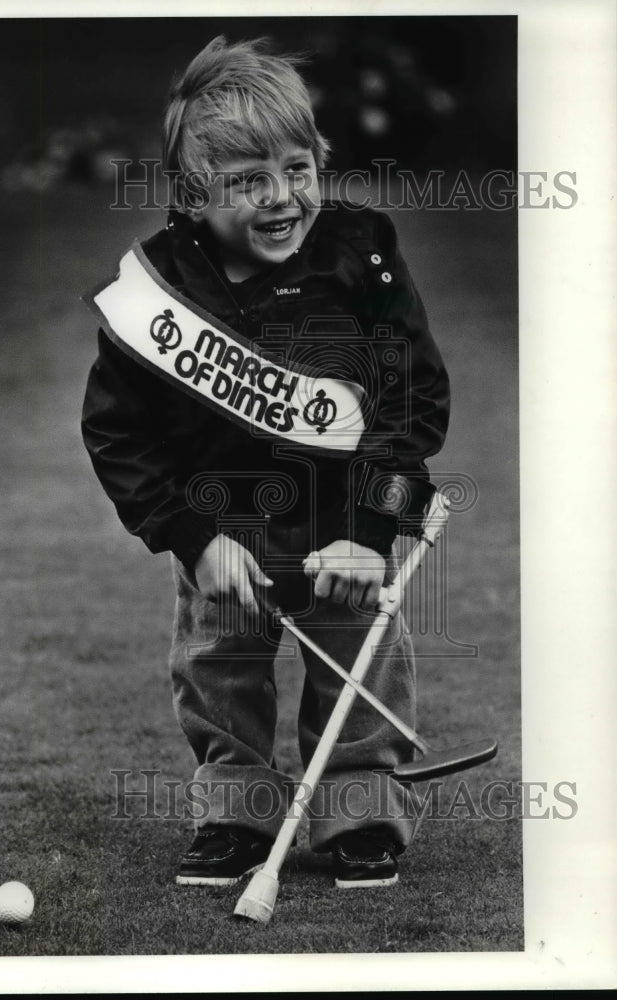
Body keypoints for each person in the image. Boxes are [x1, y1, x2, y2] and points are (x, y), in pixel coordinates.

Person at [81, 36, 450, 889]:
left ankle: (360, 809)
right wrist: (191, 538)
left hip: (343, 527)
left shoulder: (360, 252)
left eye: (297, 167)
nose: (282, 197)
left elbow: (410, 404)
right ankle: (235, 811)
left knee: (359, 670)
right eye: (249, 181)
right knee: (218, 671)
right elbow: (118, 432)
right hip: (224, 534)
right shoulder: (157, 293)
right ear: (194, 194)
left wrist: (370, 531)